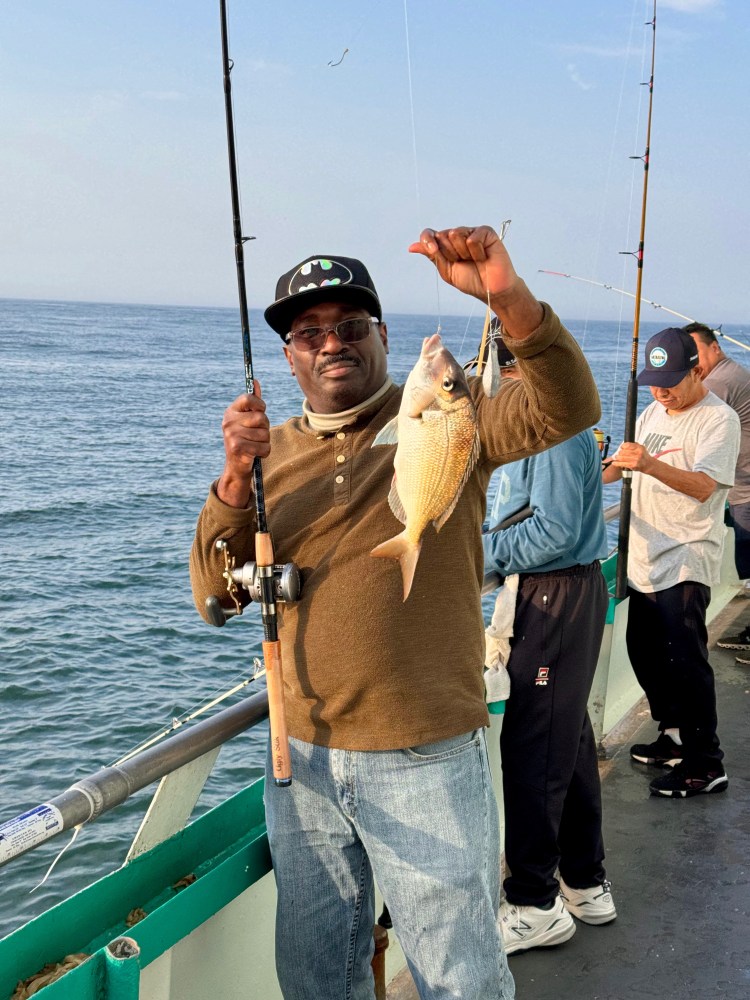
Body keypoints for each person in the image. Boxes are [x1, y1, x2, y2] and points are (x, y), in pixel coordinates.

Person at [190, 225, 601, 1000]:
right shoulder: (268, 456)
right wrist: (235, 482)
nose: (330, 344)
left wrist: (506, 299)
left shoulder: (458, 417)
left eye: (349, 327)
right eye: (309, 334)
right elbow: (217, 597)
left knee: (462, 980)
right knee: (317, 978)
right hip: (300, 762)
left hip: (427, 751)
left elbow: (569, 406)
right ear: (288, 358)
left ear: (382, 337)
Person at [483, 343, 615, 955]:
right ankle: (586, 883)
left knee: (535, 745)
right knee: (570, 739)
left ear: (511, 370)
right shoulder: (528, 422)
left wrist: (474, 557)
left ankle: (535, 902)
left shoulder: (552, 427)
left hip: (554, 597)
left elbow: (557, 532)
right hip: (548, 593)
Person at [604, 327, 740, 798]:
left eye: (671, 381)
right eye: (654, 381)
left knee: (687, 663)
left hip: (686, 555)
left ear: (697, 370)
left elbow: (705, 487)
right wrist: (598, 467)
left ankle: (707, 762)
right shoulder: (652, 410)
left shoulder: (718, 421)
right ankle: (675, 735)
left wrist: (646, 465)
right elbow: (624, 463)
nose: (661, 391)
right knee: (643, 652)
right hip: (643, 558)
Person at [685, 323, 750, 656]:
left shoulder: (719, 382)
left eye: (697, 350)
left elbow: (694, 426)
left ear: (715, 348)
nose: (694, 360)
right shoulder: (734, 371)